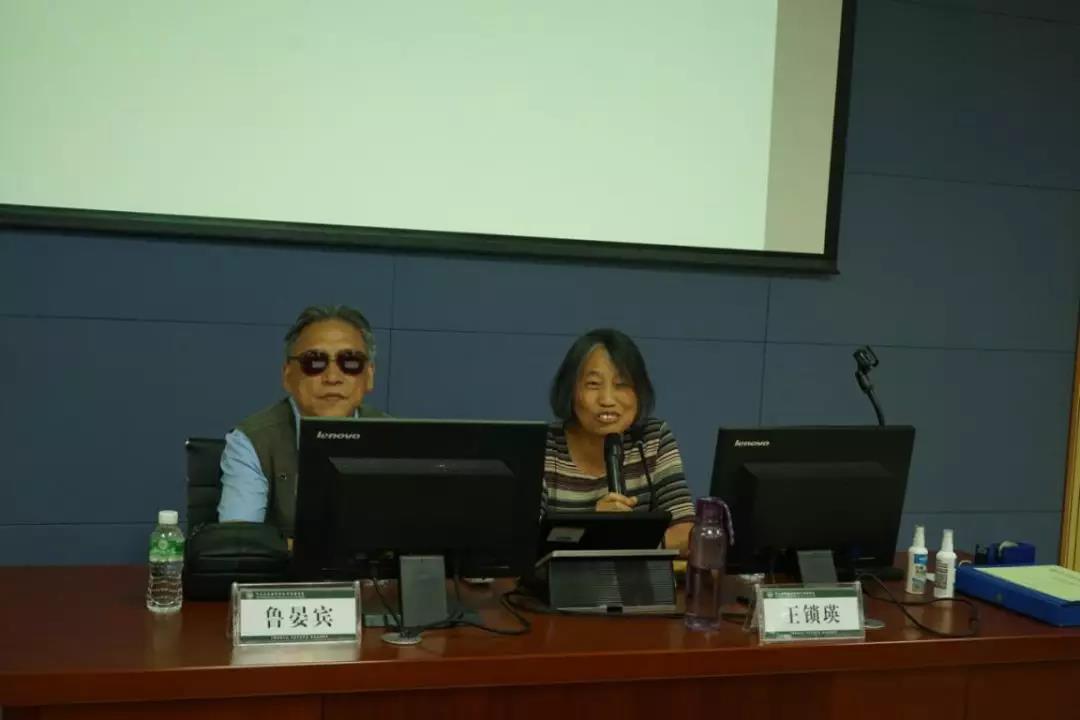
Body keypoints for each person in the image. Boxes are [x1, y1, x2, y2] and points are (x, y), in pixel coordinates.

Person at [217, 304, 385, 536]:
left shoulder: (395, 438)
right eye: (315, 362)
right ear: (288, 375)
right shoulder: (252, 441)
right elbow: (239, 541)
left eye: (350, 362)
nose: (332, 377)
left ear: (369, 376)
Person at [544, 328, 695, 553]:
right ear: (570, 391)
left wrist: (620, 540)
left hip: (636, 576)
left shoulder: (652, 438)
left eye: (621, 384)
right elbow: (525, 543)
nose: (607, 400)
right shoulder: (545, 445)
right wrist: (598, 529)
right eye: (593, 384)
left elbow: (685, 533)